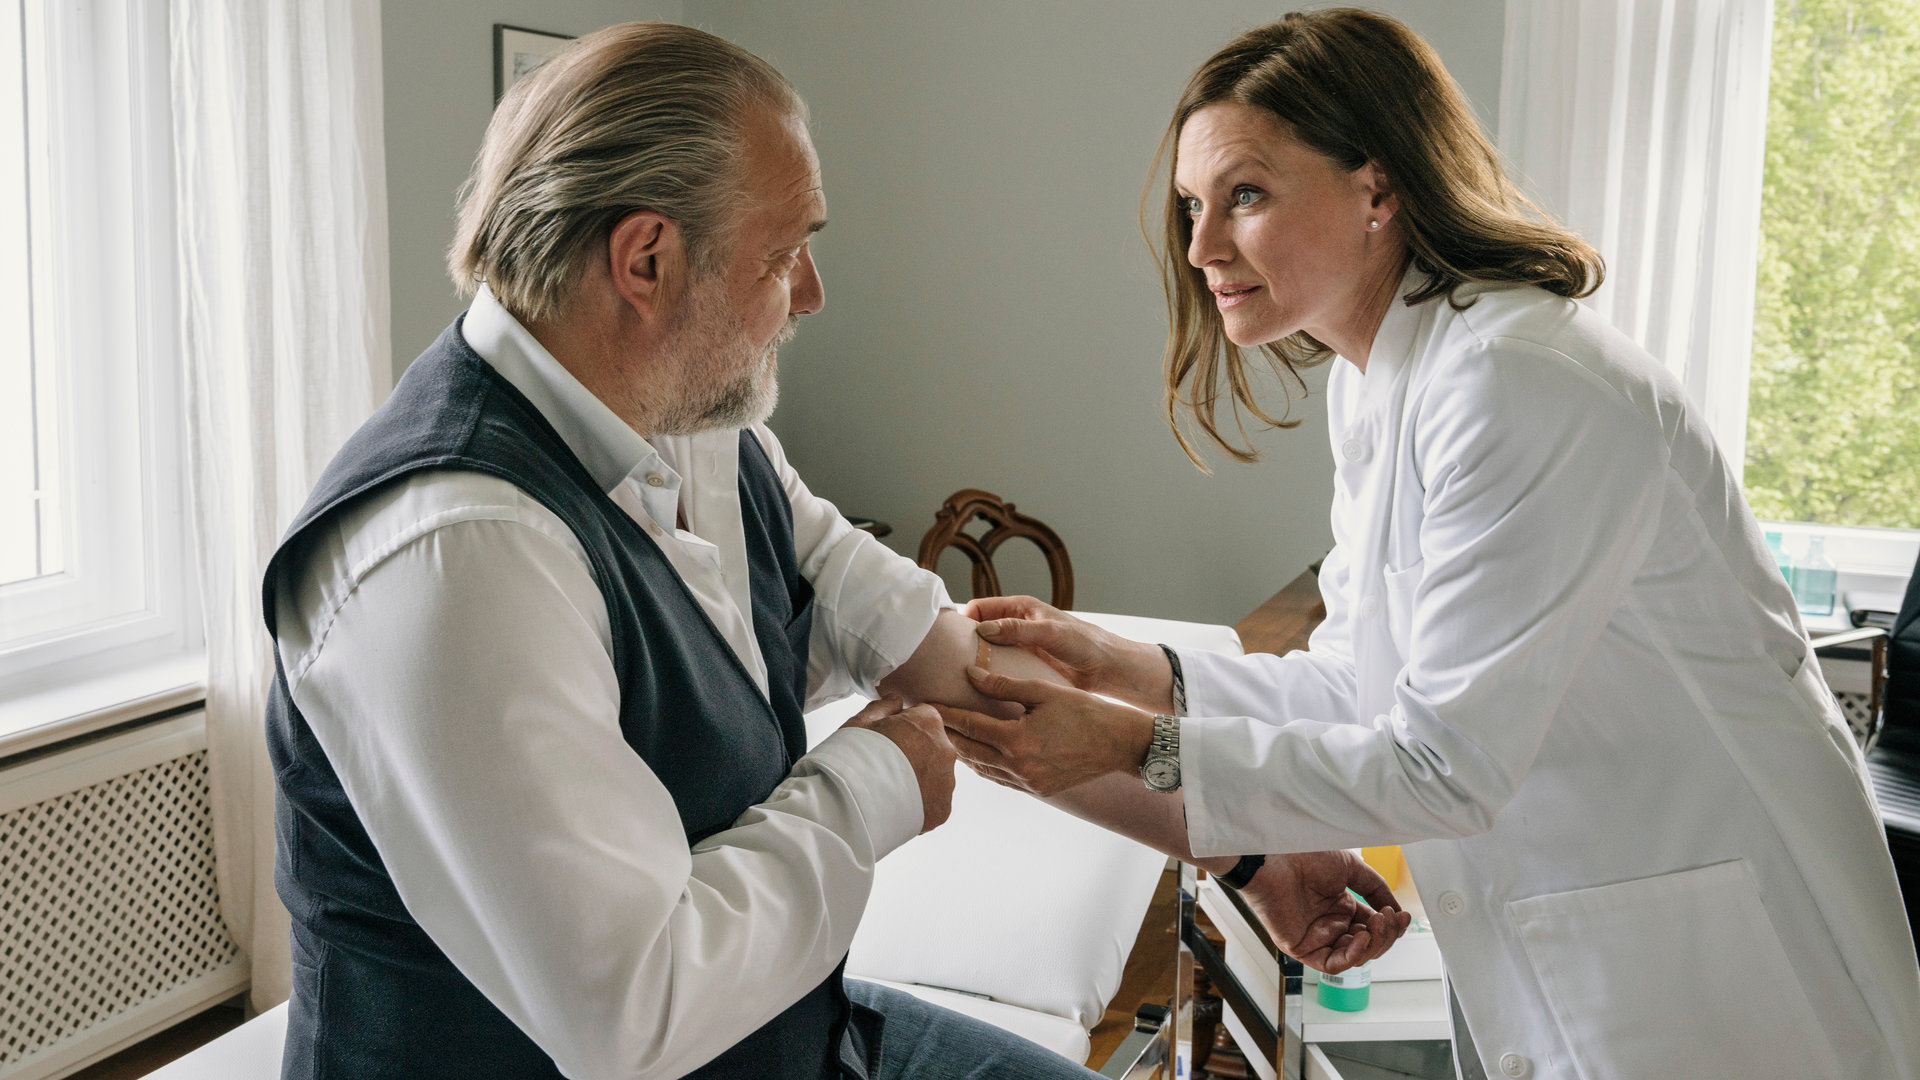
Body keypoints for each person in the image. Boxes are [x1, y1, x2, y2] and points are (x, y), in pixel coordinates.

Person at [261, 22, 1402, 1080]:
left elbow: (950, 664)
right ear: (647, 261)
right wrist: (874, 780)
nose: (811, 292)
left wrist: (1248, 852)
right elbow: (630, 1013)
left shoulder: (700, 425)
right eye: (783, 253)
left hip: (789, 1038)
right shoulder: (454, 556)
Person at [937, 10, 1920, 1080]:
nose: (1203, 246)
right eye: (1191, 206)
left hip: (1721, 972)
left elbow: (1441, 770)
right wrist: (1144, 675)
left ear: (1380, 186)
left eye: (1246, 195)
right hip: (1588, 944)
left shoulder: (1519, 384)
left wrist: (1135, 745)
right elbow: (1366, 686)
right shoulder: (1381, 384)